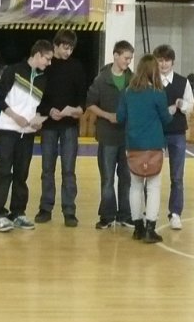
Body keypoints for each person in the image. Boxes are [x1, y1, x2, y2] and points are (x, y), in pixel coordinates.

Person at [0, 40, 53, 233]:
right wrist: (15, 116)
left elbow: (41, 107)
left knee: (21, 173)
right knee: (3, 172)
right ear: (38, 55)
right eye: (47, 59)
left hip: (28, 133)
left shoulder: (43, 79)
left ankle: (18, 212)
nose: (49, 63)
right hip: (8, 129)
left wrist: (39, 120)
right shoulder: (13, 71)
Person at [117, 54, 173, 243]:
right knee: (154, 187)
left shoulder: (127, 92)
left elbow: (120, 117)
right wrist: (171, 111)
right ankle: (150, 229)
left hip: (133, 145)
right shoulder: (158, 93)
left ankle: (137, 228)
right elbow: (166, 119)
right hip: (154, 144)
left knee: (135, 186)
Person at [34, 29, 87, 227]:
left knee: (68, 170)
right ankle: (45, 208)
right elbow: (37, 96)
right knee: (47, 169)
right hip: (48, 124)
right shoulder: (45, 67)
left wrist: (78, 109)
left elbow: (82, 96)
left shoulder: (76, 66)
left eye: (71, 49)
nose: (68, 52)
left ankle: (69, 210)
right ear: (55, 45)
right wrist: (49, 110)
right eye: (65, 48)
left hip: (69, 125)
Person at [86, 40, 135, 230]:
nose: (128, 62)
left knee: (126, 178)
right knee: (107, 179)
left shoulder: (133, 80)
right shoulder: (101, 79)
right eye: (126, 58)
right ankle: (107, 216)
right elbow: (90, 104)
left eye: (130, 59)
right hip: (107, 136)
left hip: (127, 137)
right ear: (115, 55)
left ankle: (125, 215)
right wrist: (107, 115)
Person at [152, 44, 194, 230]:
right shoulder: (151, 80)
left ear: (173, 62)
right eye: (160, 60)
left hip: (177, 133)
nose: (163, 64)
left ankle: (175, 213)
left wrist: (181, 104)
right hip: (155, 133)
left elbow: (190, 106)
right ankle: (150, 212)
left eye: (167, 60)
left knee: (177, 176)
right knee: (152, 174)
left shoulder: (182, 82)